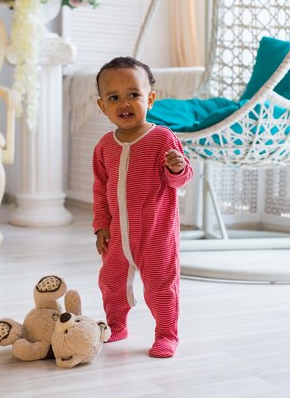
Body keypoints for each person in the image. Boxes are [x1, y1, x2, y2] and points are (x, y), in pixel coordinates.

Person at [92, 56, 193, 358]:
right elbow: (100, 190)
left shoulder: (162, 138)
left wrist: (177, 168)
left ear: (149, 99)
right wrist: (100, 226)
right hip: (118, 236)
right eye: (114, 97)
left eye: (133, 95)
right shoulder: (104, 147)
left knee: (161, 287)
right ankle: (116, 325)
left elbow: (180, 181)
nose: (125, 103)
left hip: (156, 234)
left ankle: (166, 334)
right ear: (103, 107)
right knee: (111, 284)